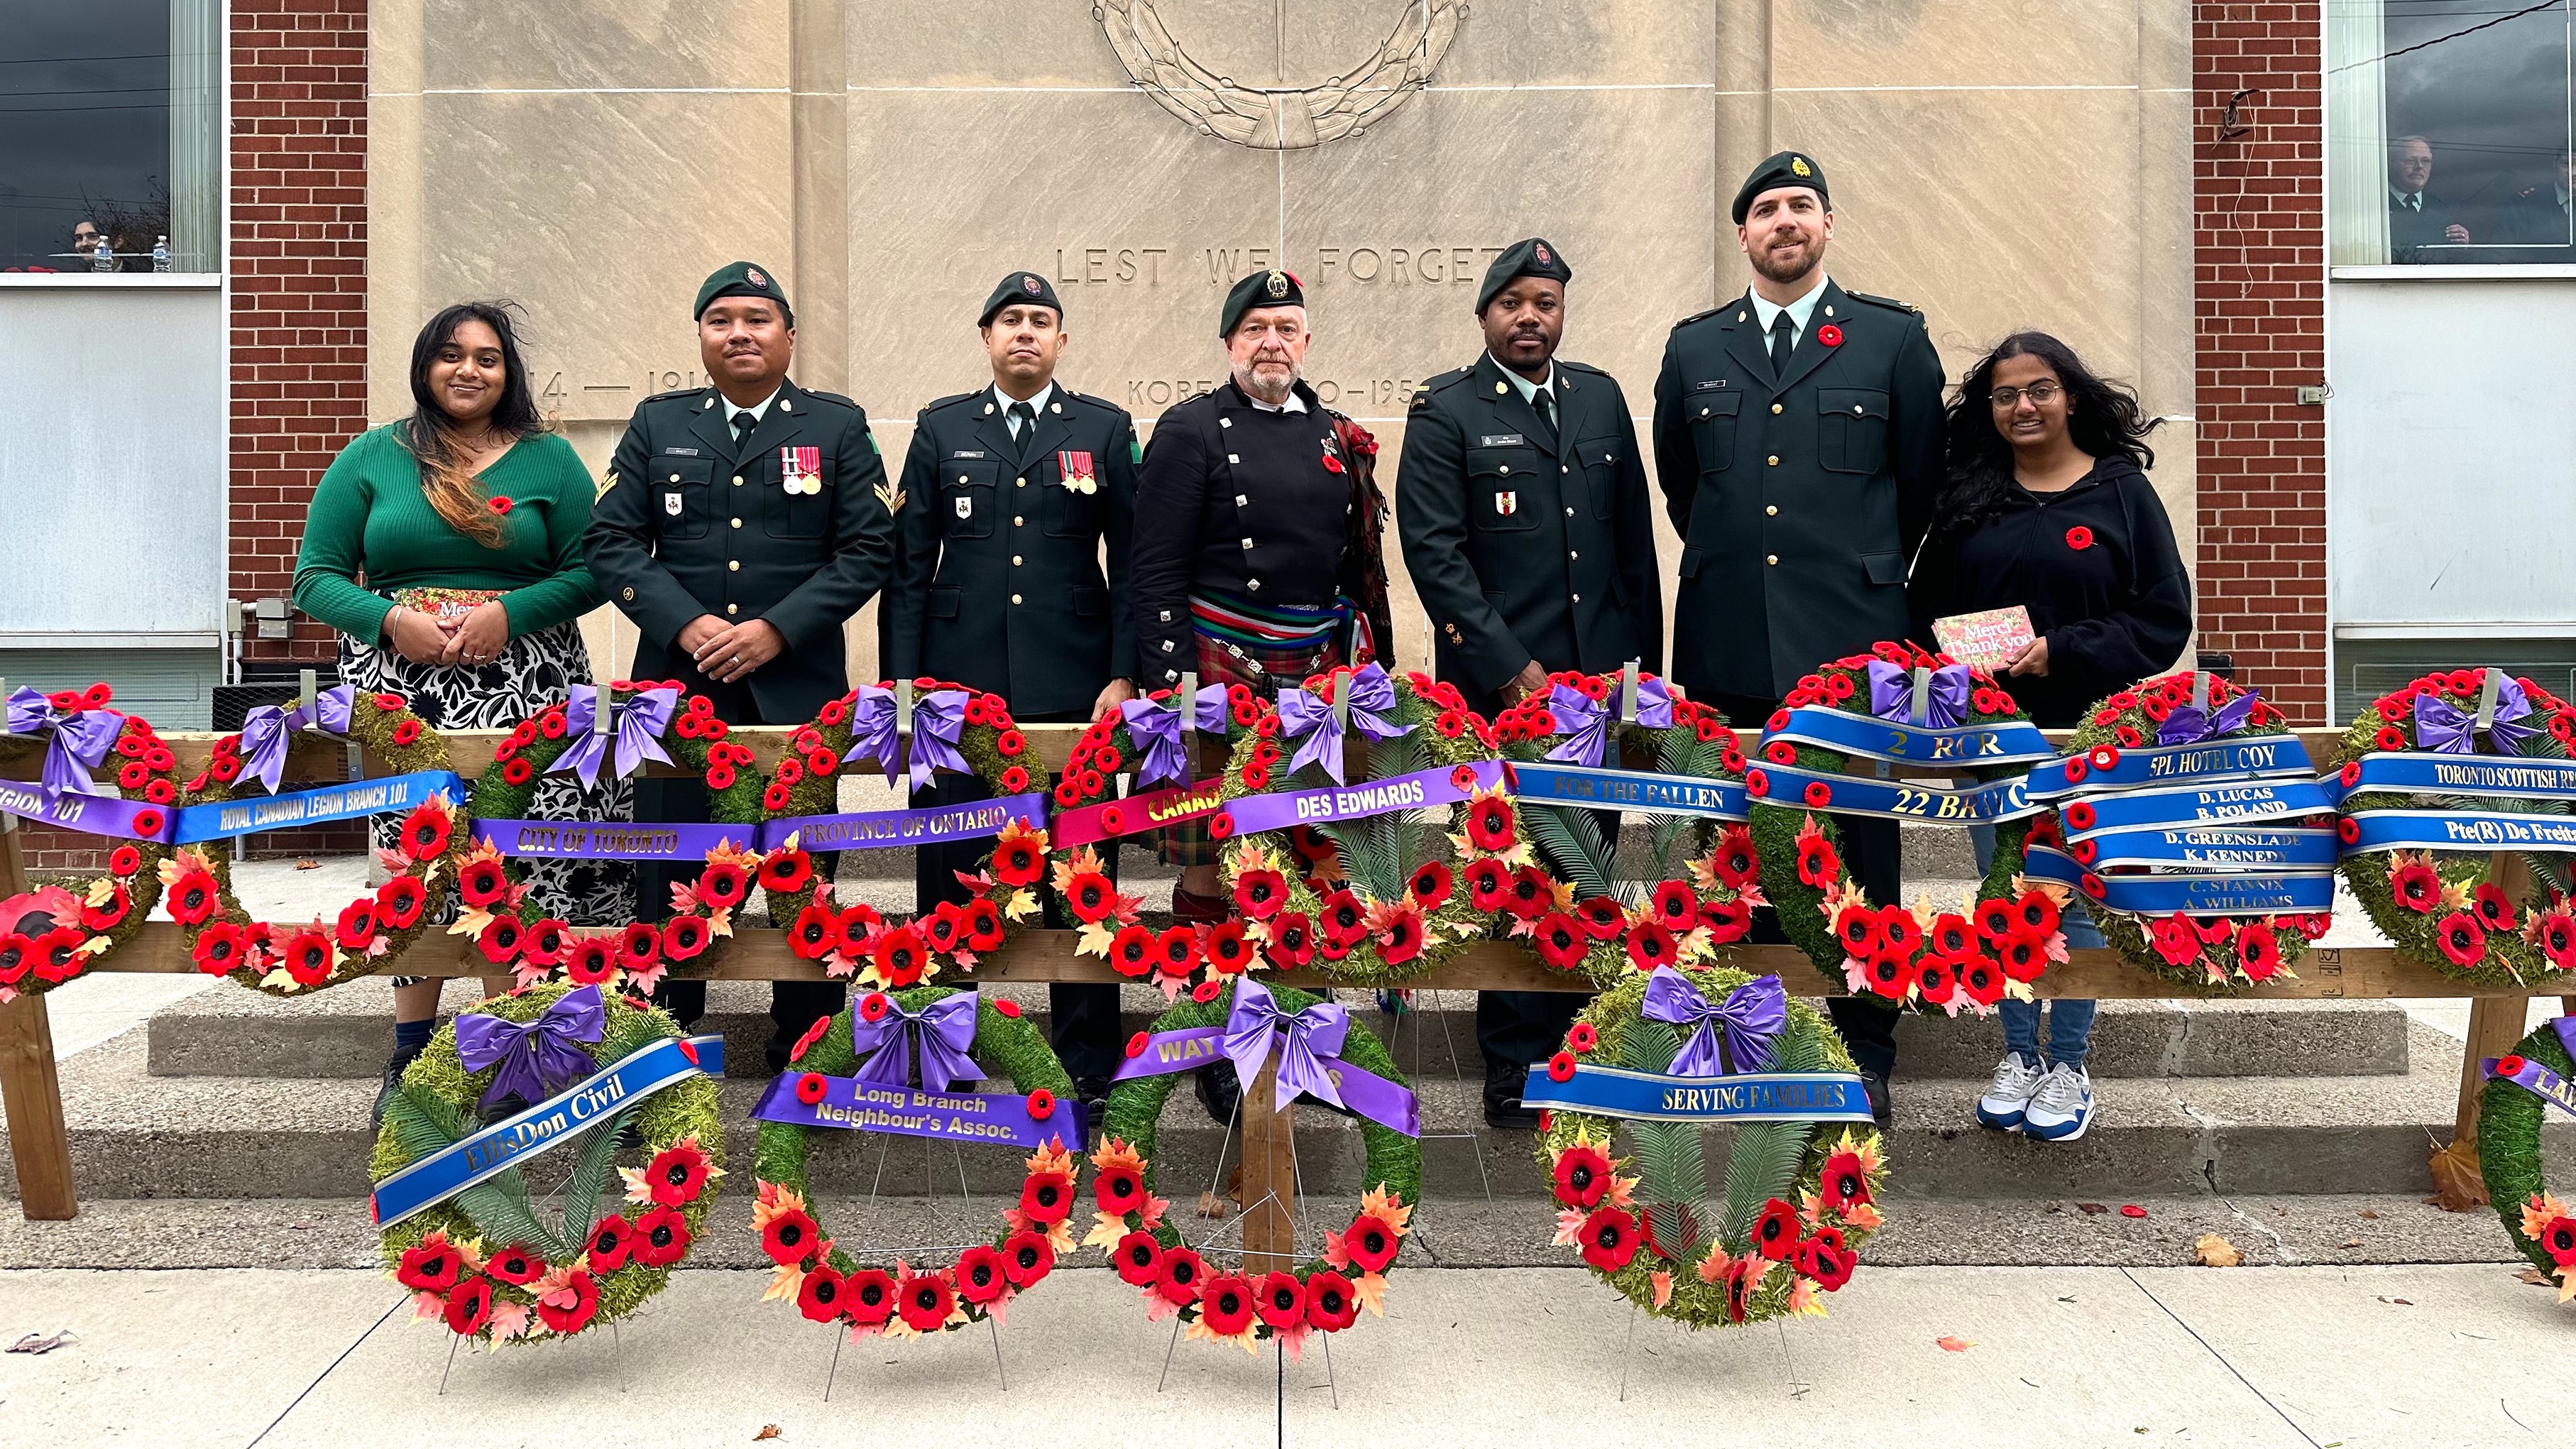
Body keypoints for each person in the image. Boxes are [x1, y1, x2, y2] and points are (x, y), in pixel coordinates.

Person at [1650, 151, 1946, 1124]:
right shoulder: (1695, 347)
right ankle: (1742, 1028)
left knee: (1861, 840)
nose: (1786, 220)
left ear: (1827, 225)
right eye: (1768, 208)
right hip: (1727, 634)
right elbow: (1684, 486)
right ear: (1743, 233)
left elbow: (1919, 489)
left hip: (1851, 639)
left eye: (1803, 206)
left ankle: (1864, 1042)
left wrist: (1856, 575)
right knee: (1733, 835)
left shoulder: (1891, 338)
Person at [292, 301, 627, 1122]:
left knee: (520, 865)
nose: (468, 370)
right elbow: (316, 575)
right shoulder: (375, 455)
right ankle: (410, 1060)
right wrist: (389, 618)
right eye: (451, 355)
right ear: (424, 366)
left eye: (486, 357)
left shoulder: (548, 461)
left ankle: (514, 1052)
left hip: (530, 686)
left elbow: (597, 568)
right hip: (407, 695)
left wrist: (512, 613)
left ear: (507, 371)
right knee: (419, 864)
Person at [585, 261, 896, 1073]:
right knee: (669, 873)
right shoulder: (658, 424)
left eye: (758, 319)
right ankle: (658, 1047)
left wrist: (776, 630)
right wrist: (685, 625)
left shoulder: (835, 426)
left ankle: (804, 1047)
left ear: (788, 336)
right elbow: (610, 541)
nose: (740, 333)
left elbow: (869, 548)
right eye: (721, 319)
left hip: (796, 693)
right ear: (700, 336)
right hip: (677, 696)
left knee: (800, 874)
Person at [1396, 238, 1662, 1127]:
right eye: (1512, 303)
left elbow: (1631, 548)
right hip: (1502, 688)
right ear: (1483, 315)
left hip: (1598, 688)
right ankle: (1512, 1062)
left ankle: (1586, 1045)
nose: (1529, 318)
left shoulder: (1599, 398)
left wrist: (1642, 681)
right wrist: (1511, 670)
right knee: (1509, 868)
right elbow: (1435, 555)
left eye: (1544, 302)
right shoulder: (1446, 410)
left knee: (1589, 861)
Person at [1908, 332, 2190, 1142]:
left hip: (2086, 738)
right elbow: (1918, 612)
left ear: (2070, 395)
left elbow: (2161, 616)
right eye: (2004, 395)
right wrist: (1952, 664)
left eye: (2038, 390)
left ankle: (2067, 1063)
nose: (2022, 406)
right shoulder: (1968, 498)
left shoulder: (2120, 494)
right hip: (1990, 743)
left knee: (2071, 904)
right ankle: (2016, 1056)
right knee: (2002, 894)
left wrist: (2061, 649)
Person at [1129, 268, 1396, 1122]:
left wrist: (1375, 670)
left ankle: (1303, 1038)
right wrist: (1170, 677)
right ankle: (1213, 1041)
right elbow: (1155, 566)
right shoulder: (1189, 431)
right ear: (1229, 344)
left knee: (1306, 850)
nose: (1270, 341)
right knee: (1217, 851)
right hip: (1219, 665)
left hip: (1315, 669)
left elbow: (1362, 571)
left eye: (1285, 326)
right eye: (1253, 328)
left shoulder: (1336, 436)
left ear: (1306, 342)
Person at [887, 270, 1139, 1112]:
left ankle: (1088, 1060)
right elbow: (908, 566)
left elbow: (1133, 564)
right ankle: (941, 1040)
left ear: (1060, 341)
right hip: (956, 686)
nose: (1024, 332)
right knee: (949, 860)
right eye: (1010, 321)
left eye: (1040, 320)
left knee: (1080, 871)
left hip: (1073, 681)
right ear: (987, 338)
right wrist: (903, 686)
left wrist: (1125, 671)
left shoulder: (1102, 429)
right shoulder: (941, 427)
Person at [2388, 136, 2471, 261]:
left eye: (2426, 161)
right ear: (2390, 163)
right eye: (2410, 161)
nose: (2419, 167)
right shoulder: (2377, 202)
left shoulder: (2441, 209)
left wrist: (2460, 248)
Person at [2502, 149, 2574, 249]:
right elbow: (2501, 254)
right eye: (2567, 164)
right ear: (2555, 165)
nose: (2574, 172)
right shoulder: (2523, 203)